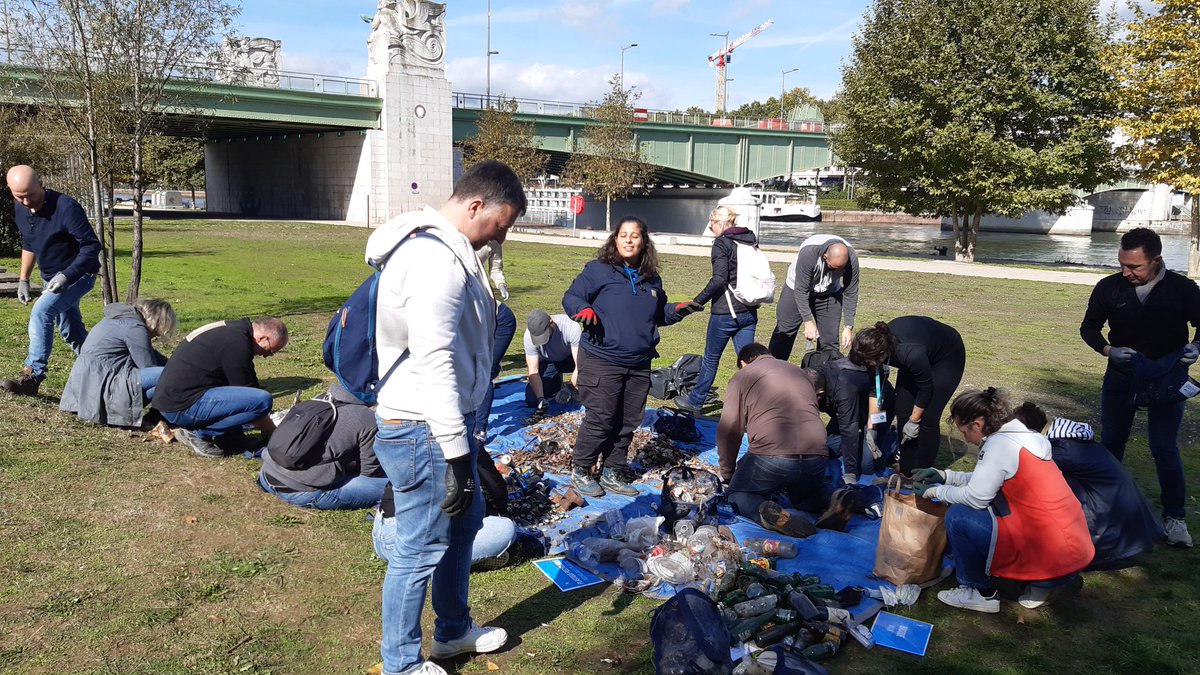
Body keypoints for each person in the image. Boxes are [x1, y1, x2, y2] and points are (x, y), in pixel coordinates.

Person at [366, 160, 525, 675]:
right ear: (476, 206)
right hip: (424, 429)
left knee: (464, 527)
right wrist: (457, 453)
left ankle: (453, 632)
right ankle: (401, 664)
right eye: (500, 226)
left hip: (442, 423)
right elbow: (432, 360)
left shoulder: (454, 253)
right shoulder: (434, 260)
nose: (500, 239)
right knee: (418, 549)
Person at [913, 388, 1094, 614]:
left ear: (977, 425)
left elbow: (976, 497)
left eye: (963, 431)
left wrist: (935, 492)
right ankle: (1040, 585)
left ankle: (978, 592)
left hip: (1049, 551)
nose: (965, 437)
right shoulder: (1028, 437)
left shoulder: (1000, 445)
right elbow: (990, 478)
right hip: (1071, 551)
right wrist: (946, 476)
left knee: (959, 515)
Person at [562, 216, 702, 498]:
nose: (628, 240)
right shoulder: (599, 270)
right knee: (602, 418)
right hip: (602, 357)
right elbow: (572, 297)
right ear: (615, 239)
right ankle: (582, 469)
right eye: (623, 235)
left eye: (634, 235)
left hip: (638, 362)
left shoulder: (652, 278)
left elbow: (657, 314)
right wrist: (582, 310)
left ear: (644, 242)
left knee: (628, 420)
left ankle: (613, 471)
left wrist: (679, 309)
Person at [1079, 227, 1200, 548]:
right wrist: (1108, 350)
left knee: (1164, 448)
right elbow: (1089, 328)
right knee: (1112, 444)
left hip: (1167, 378)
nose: (1126, 272)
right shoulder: (1109, 288)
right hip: (1121, 375)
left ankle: (1175, 518)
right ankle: (1101, 510)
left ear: (1156, 261)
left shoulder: (1182, 289)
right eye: (1122, 264)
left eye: (1134, 267)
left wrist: (1196, 347)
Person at [1012, 402, 1160, 573]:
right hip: (1127, 520)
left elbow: (1025, 476)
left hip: (1110, 528)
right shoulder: (1071, 440)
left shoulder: (1060, 451)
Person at [0, 165, 101, 396]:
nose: (26, 202)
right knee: (71, 332)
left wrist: (67, 275)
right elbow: (29, 242)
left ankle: (32, 376)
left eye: (30, 195)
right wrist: (23, 279)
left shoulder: (66, 207)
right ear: (10, 191)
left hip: (79, 275)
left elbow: (91, 246)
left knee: (41, 312)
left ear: (41, 183)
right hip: (51, 279)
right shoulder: (21, 208)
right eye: (19, 196)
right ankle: (104, 369)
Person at [715, 343, 826, 538]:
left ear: (743, 362)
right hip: (816, 453)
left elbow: (730, 429)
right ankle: (832, 501)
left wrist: (728, 472)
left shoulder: (743, 375)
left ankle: (768, 513)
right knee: (805, 499)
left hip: (773, 455)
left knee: (737, 495)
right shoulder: (797, 371)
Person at [152, 317, 288, 457]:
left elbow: (244, 386)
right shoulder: (237, 344)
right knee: (262, 401)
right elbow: (250, 394)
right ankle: (197, 432)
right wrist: (271, 431)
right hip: (181, 406)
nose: (267, 356)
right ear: (263, 338)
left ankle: (228, 437)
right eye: (271, 351)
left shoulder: (233, 331)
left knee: (253, 399)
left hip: (175, 398)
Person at [849, 317, 966, 475]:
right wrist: (871, 428)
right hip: (920, 351)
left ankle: (923, 474)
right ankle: (906, 470)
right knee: (902, 411)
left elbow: (925, 388)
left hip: (946, 356)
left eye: (868, 363)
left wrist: (915, 420)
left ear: (880, 356)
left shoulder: (909, 353)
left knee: (927, 418)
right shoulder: (874, 348)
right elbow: (876, 388)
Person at [674, 206, 761, 413]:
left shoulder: (722, 244)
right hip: (748, 310)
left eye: (711, 223)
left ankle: (696, 400)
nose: (710, 226)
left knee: (712, 358)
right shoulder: (749, 239)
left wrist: (698, 301)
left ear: (721, 223)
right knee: (749, 362)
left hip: (725, 312)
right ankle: (755, 404)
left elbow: (719, 278)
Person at [258, 383, 389, 510]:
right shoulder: (367, 418)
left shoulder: (319, 399)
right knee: (397, 483)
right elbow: (370, 472)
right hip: (300, 492)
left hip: (266, 474)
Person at [59, 298, 176, 428]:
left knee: (164, 381)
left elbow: (151, 353)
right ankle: (158, 417)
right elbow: (148, 365)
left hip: (88, 387)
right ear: (157, 320)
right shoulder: (135, 328)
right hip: (105, 384)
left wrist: (177, 364)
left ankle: (157, 417)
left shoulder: (117, 320)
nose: (156, 336)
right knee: (170, 376)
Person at [767, 234, 859, 361]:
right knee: (784, 333)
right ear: (824, 257)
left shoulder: (852, 258)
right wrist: (808, 321)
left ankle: (826, 376)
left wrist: (848, 327)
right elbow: (801, 290)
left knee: (830, 342)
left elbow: (851, 292)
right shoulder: (809, 254)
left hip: (829, 292)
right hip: (796, 288)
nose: (834, 272)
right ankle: (771, 372)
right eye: (832, 268)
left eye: (839, 270)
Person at [811, 356, 895, 484]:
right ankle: (859, 439)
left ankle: (894, 440)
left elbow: (849, 429)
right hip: (847, 412)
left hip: (876, 411)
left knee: (866, 467)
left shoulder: (843, 389)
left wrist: (851, 473)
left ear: (820, 394)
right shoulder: (810, 380)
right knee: (825, 448)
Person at [523, 309, 580, 410]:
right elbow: (533, 371)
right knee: (532, 400)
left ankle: (571, 386)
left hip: (569, 358)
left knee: (591, 385)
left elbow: (580, 365)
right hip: (548, 362)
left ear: (551, 323)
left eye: (544, 336)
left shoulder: (571, 327)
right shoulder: (528, 336)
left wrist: (570, 387)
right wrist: (540, 398)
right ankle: (557, 383)